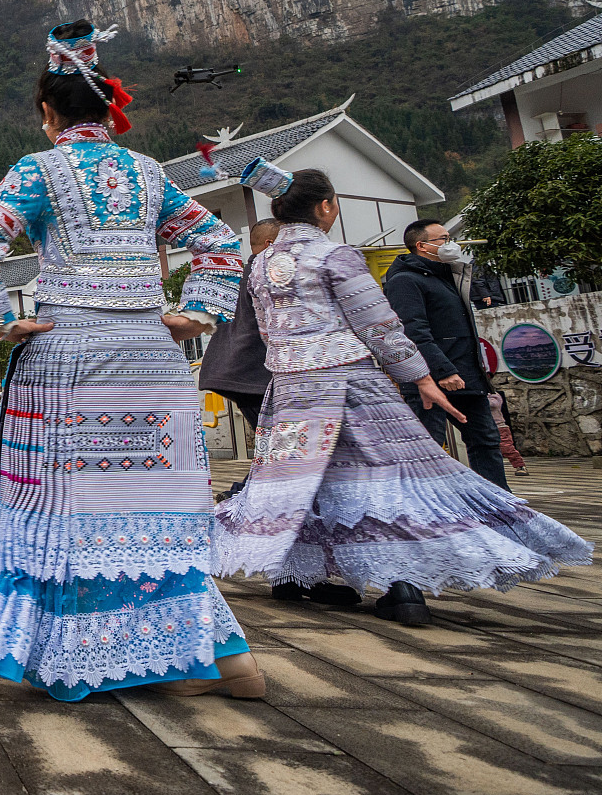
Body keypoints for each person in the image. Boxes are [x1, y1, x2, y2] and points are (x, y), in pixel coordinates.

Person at [0, 20, 259, 700]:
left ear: (47, 113)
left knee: (63, 508)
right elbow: (219, 240)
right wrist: (194, 313)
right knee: (149, 500)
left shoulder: (38, 171)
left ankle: (80, 657)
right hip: (149, 353)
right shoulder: (149, 173)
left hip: (68, 354)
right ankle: (219, 655)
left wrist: (2, 320)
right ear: (107, 109)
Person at [214, 163, 588, 624]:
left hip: (291, 389)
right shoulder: (336, 256)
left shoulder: (262, 266)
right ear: (325, 206)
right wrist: (421, 377)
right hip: (351, 383)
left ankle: (295, 575)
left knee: (303, 483)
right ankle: (403, 585)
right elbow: (381, 327)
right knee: (390, 479)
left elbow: (271, 332)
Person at [384, 221, 508, 489]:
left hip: (467, 376)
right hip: (431, 380)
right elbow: (413, 331)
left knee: (486, 441)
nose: (451, 244)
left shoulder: (449, 276)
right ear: (422, 246)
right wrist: (443, 370)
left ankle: (500, 502)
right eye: (443, 239)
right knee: (427, 448)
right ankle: (428, 510)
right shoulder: (404, 281)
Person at [200, 218, 282, 451]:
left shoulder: (241, 274)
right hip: (252, 373)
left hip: (235, 372)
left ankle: (245, 485)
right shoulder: (265, 273)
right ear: (270, 243)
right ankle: (247, 487)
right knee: (278, 446)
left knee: (270, 444)